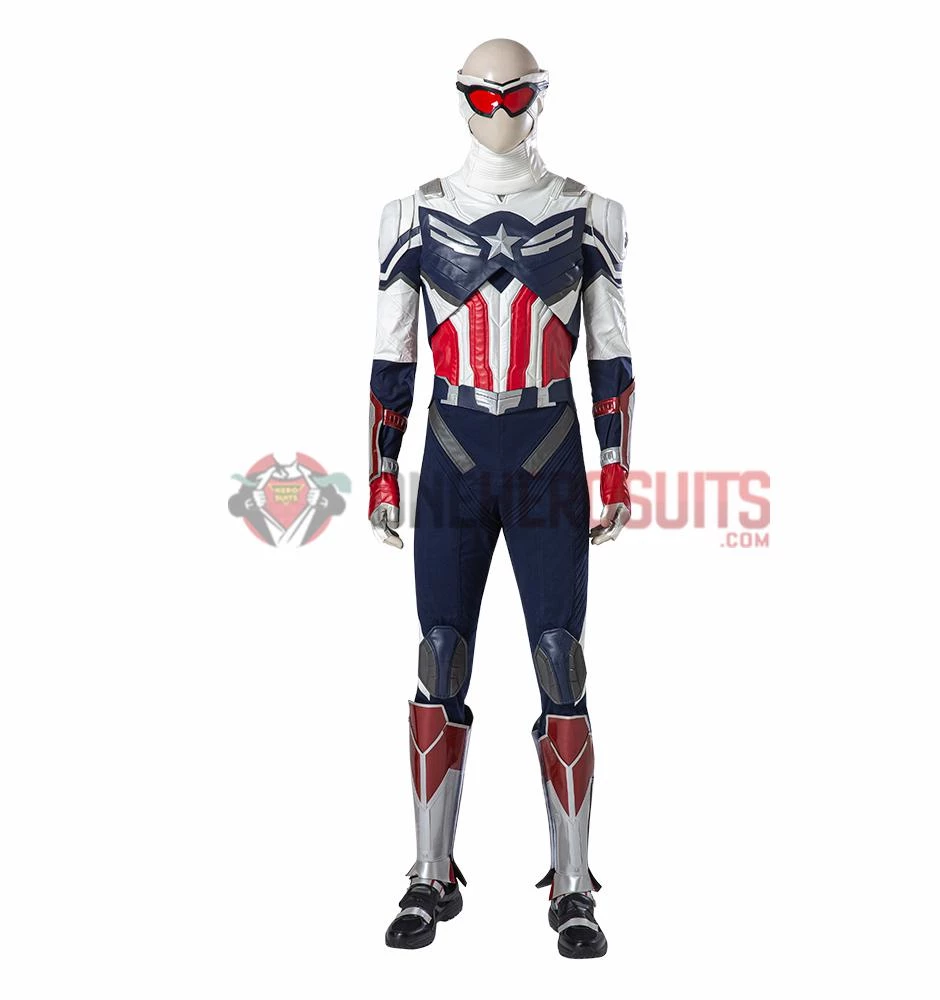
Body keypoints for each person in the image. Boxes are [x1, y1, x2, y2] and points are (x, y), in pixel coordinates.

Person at [368, 38, 634, 959]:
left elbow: (611, 351)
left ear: (540, 99)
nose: (500, 111)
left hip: (548, 452)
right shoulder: (412, 215)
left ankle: (574, 884)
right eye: (484, 97)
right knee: (438, 657)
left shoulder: (591, 215)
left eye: (516, 95)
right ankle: (428, 872)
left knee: (561, 661)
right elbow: (393, 354)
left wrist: (617, 466)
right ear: (461, 101)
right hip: (452, 451)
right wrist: (380, 469)